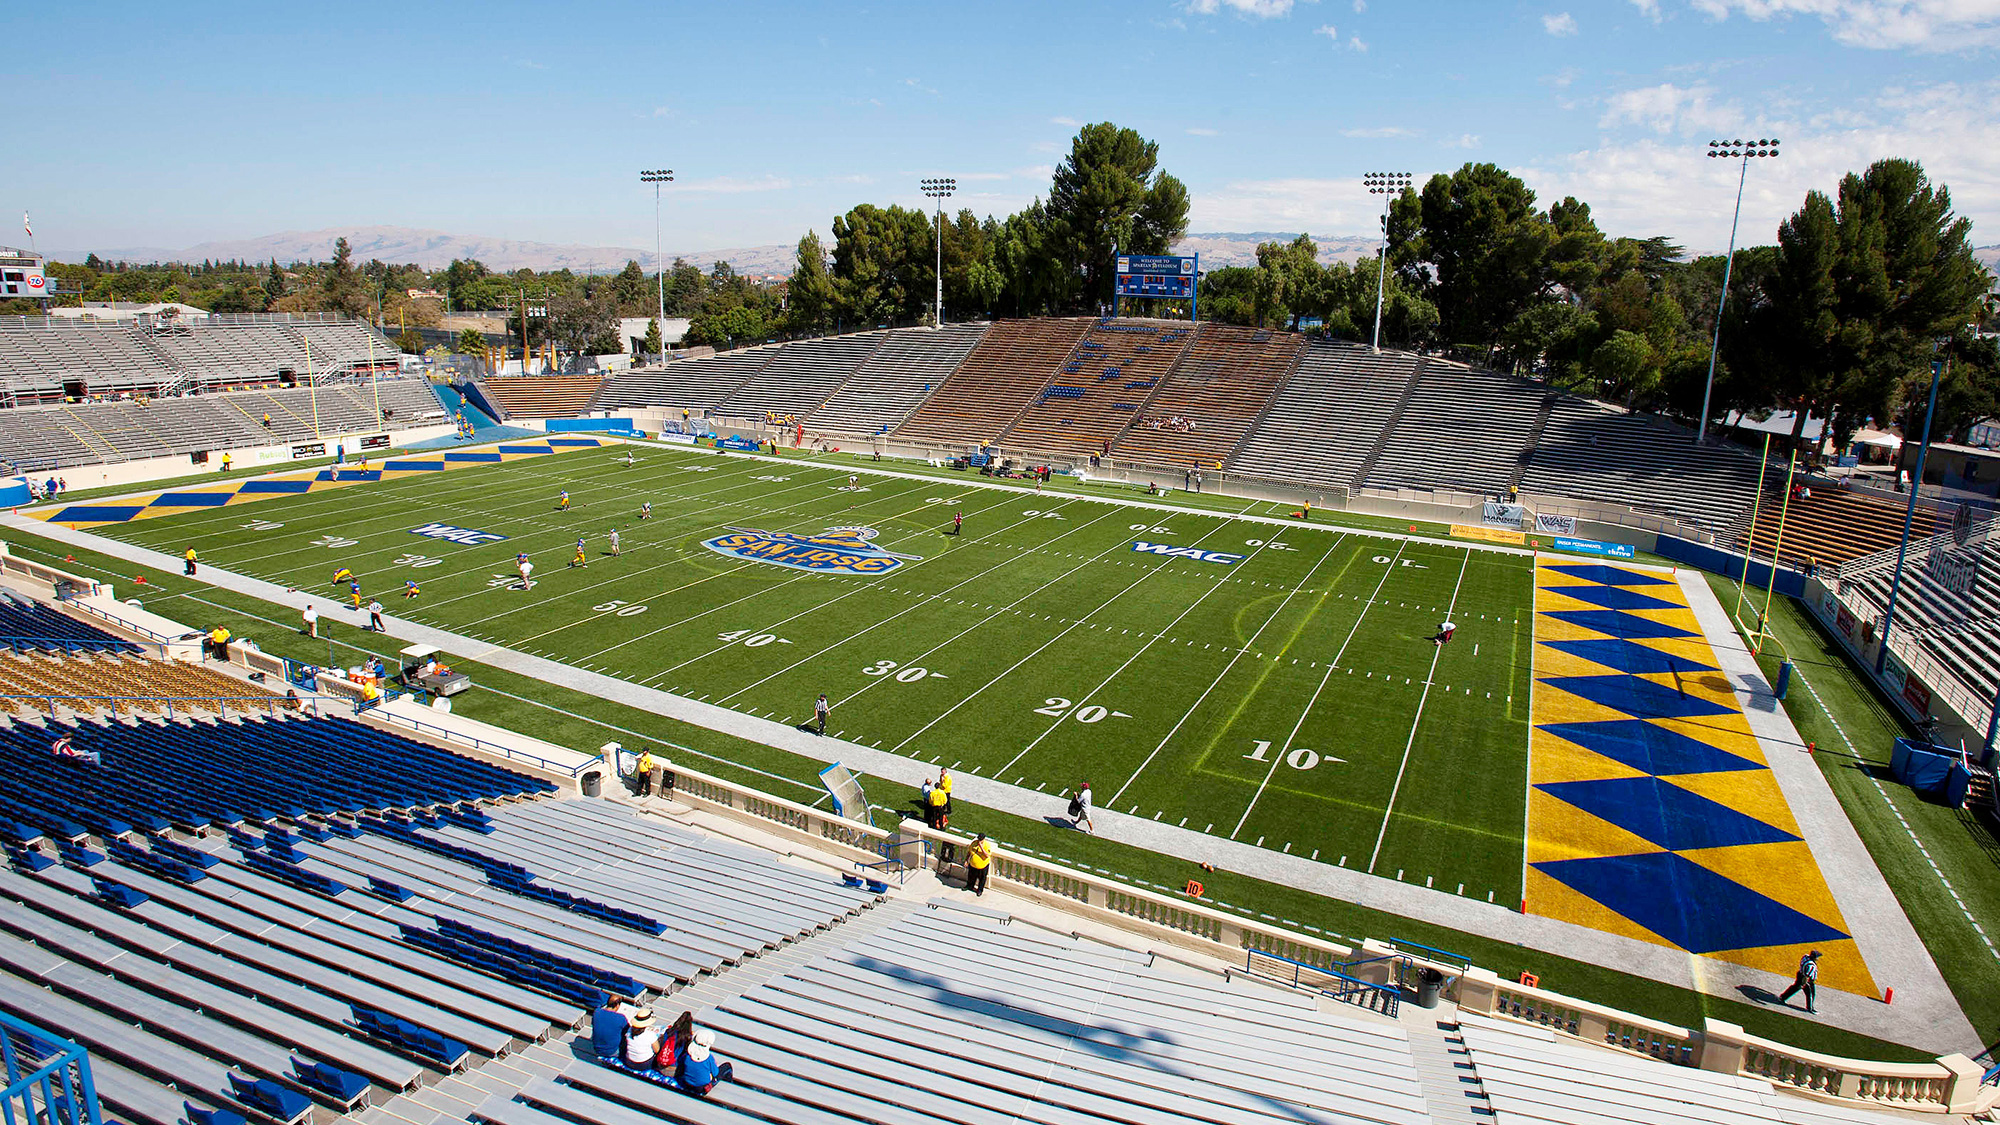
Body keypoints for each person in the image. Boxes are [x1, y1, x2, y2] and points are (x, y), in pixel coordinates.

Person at [676, 1029, 733, 1095]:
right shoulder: (708, 1058)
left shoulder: (687, 1055)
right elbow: (715, 1073)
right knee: (727, 1066)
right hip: (702, 1088)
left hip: (687, 1083)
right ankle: (729, 1084)